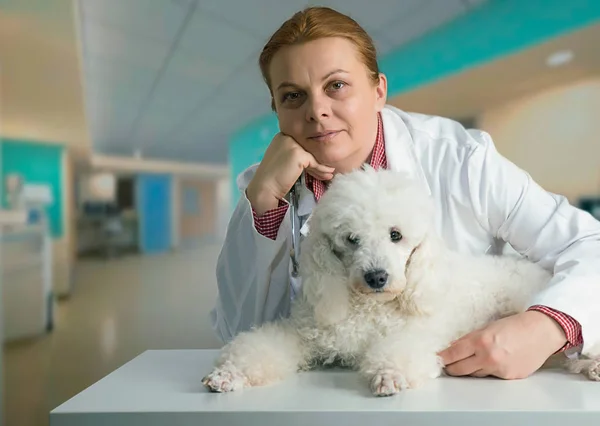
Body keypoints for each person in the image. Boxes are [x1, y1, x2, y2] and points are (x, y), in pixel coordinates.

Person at [211, 6, 600, 380]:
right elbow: (237, 327)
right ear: (276, 109)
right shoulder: (265, 189)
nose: (317, 111)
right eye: (293, 95)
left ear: (379, 90)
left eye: (337, 85)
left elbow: (587, 242)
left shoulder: (461, 158)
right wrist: (265, 202)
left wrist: (547, 326)